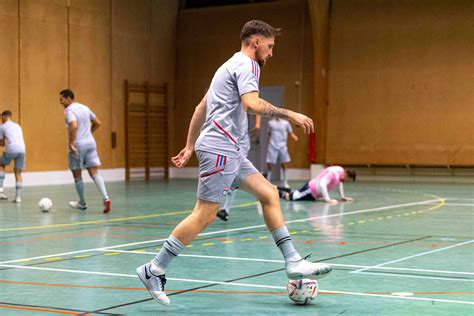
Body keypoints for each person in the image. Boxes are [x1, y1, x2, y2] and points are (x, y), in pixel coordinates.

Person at [136, 20, 331, 306]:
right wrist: (290, 114)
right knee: (204, 214)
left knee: (269, 194)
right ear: (256, 41)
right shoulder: (247, 65)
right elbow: (251, 104)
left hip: (232, 152)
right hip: (221, 149)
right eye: (270, 46)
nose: (271, 53)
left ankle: (293, 261)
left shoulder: (226, 67)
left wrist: (191, 145)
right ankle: (153, 269)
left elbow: (201, 107)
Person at [59, 89, 111, 213]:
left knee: (77, 175)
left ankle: (82, 203)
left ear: (68, 98)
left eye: (61, 99)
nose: (60, 102)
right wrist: (89, 134)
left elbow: (74, 126)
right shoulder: (85, 107)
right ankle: (106, 197)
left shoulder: (69, 111)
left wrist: (71, 142)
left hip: (78, 145)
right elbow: (97, 123)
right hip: (90, 143)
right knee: (94, 172)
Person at [216, 115, 260, 221]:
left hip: (240, 142)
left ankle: (225, 209)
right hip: (229, 141)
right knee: (226, 173)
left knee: (233, 174)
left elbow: (255, 107)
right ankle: (224, 209)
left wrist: (258, 124)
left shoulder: (244, 101)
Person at [278, 166, 356, 204]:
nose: (346, 182)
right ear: (346, 175)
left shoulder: (341, 171)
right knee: (291, 197)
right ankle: (274, 191)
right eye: (348, 180)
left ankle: (276, 187)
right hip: (311, 190)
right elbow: (322, 184)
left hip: (313, 194)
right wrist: (328, 199)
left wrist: (342, 197)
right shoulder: (333, 174)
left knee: (296, 192)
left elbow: (339, 184)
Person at [0, 110, 26, 203]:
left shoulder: (2, 127)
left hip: (11, 148)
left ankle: (0, 190)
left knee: (1, 164)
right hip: (22, 149)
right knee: (18, 172)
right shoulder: (17, 126)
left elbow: (2, 143)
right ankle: (18, 197)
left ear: (4, 116)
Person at [266, 118, 298, 188]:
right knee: (270, 163)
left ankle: (285, 182)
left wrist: (294, 136)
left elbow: (291, 132)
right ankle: (268, 181)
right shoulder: (270, 123)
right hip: (272, 145)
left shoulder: (286, 123)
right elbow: (269, 133)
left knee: (284, 163)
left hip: (282, 146)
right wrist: (268, 143)